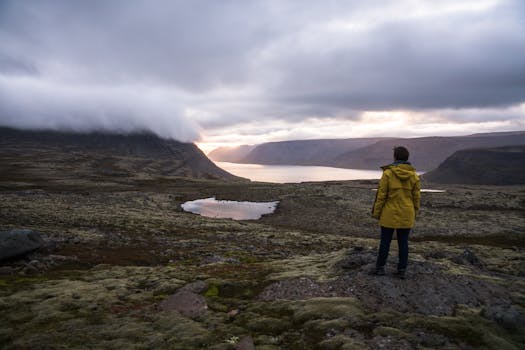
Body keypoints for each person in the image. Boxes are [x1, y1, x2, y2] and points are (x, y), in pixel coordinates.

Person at [371, 146, 420, 279]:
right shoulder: (414, 175)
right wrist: (414, 212)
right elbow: (416, 198)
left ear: (395, 157)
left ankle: (380, 268)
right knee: (403, 242)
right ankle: (402, 270)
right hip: (407, 213)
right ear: (407, 158)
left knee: (385, 241)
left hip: (389, 213)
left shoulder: (388, 174)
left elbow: (381, 196)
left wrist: (376, 212)